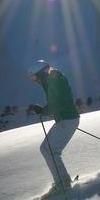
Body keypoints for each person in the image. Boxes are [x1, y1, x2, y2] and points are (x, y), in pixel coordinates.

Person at [29, 61, 80, 191]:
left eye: (34, 77)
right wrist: (44, 110)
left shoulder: (54, 81)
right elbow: (57, 103)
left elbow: (57, 105)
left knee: (49, 150)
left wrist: (43, 111)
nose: (34, 81)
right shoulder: (52, 80)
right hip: (65, 119)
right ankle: (63, 180)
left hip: (67, 120)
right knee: (47, 150)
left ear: (41, 73)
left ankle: (62, 183)